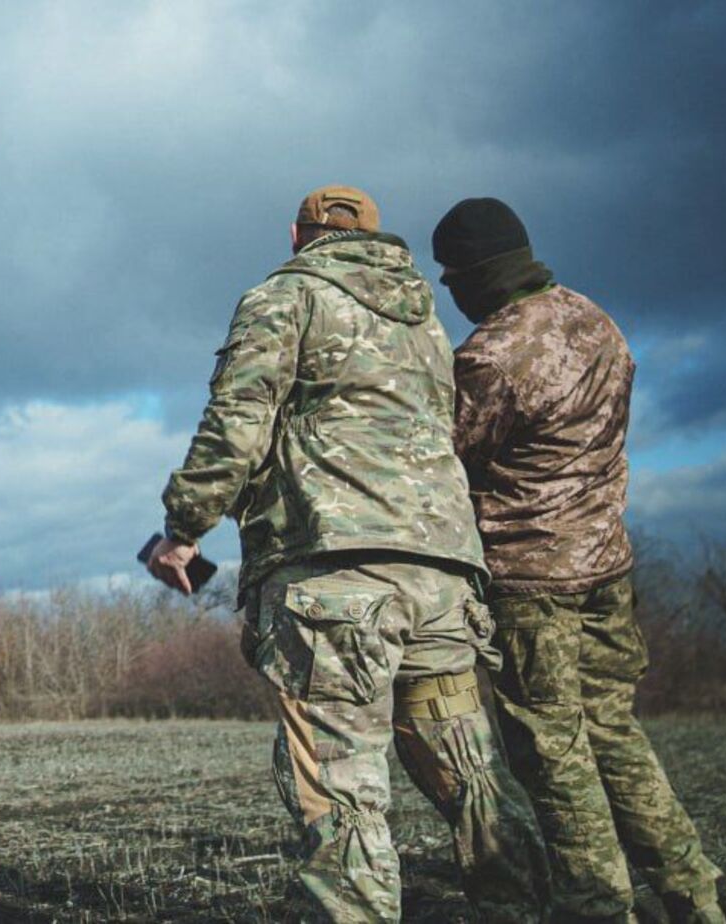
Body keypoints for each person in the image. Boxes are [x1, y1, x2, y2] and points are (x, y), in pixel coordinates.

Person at [149, 185, 547, 922]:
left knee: (342, 791)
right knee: (472, 778)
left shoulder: (285, 296)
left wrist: (183, 525)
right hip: (441, 580)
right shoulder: (423, 316)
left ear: (296, 236)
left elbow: (238, 421)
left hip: (339, 584)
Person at [434, 197, 726, 924]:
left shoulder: (493, 356)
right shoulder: (595, 319)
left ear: (475, 273)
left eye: (451, 276)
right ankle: (693, 893)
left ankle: (599, 906)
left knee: (553, 756)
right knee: (614, 731)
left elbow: (442, 457)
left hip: (532, 581)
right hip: (607, 567)